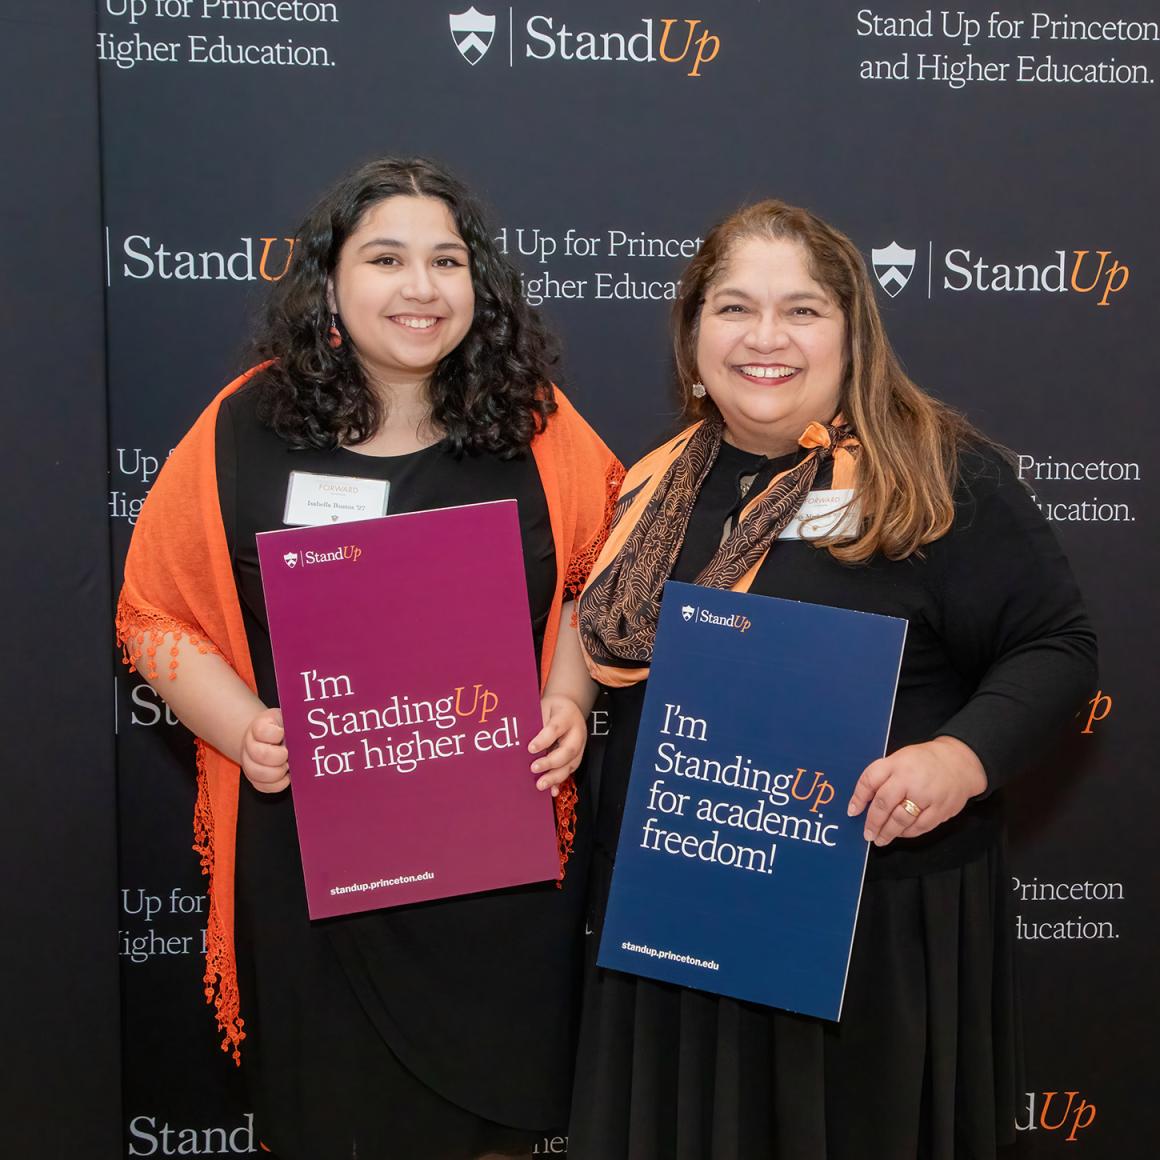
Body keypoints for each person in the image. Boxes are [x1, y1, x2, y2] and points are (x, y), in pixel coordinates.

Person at [117, 156, 622, 1160]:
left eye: (445, 259)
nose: (420, 286)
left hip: (495, 865)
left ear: (477, 286)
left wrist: (565, 696)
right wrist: (240, 728)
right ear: (331, 283)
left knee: (497, 1122)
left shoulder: (537, 423)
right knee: (330, 1122)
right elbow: (152, 613)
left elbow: (598, 576)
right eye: (386, 257)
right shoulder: (240, 428)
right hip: (314, 859)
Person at [571, 200, 1097, 1160]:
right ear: (693, 336)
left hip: (866, 925)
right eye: (734, 308)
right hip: (678, 907)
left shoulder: (936, 472)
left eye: (803, 310)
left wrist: (959, 757)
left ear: (854, 333)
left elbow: (1056, 646)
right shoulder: (653, 483)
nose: (765, 338)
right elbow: (594, 637)